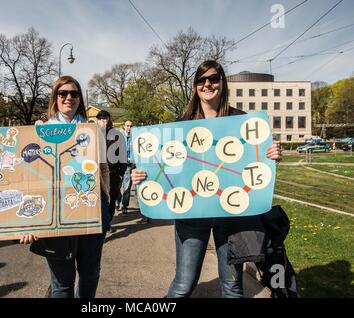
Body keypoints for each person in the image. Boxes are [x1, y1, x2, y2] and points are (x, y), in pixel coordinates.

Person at [131, 60, 282, 298]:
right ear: (195, 86)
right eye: (202, 80)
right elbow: (165, 166)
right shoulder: (181, 124)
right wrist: (143, 175)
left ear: (222, 83)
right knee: (183, 285)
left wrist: (271, 154)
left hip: (231, 214)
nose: (208, 84)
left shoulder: (241, 121)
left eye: (213, 78)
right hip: (191, 214)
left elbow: (255, 158)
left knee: (232, 287)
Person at [20, 75, 111, 298]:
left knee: (90, 274)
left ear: (80, 98)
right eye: (63, 93)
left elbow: (103, 171)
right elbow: (30, 180)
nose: (69, 98)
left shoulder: (93, 129)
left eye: (74, 93)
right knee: (61, 283)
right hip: (55, 215)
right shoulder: (40, 130)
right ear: (55, 98)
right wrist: (28, 222)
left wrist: (107, 205)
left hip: (91, 211)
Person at [96, 110, 127, 232]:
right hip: (97, 173)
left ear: (109, 119)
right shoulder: (93, 133)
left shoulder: (116, 135)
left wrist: (121, 173)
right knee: (97, 200)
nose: (102, 120)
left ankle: (108, 223)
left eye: (104, 117)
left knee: (111, 199)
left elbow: (123, 154)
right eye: (100, 118)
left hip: (113, 174)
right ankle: (100, 223)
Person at [117, 121, 134, 216]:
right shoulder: (119, 136)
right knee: (117, 187)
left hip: (128, 166)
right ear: (124, 126)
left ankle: (125, 207)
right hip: (118, 165)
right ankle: (118, 200)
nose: (129, 128)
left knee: (127, 187)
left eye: (131, 126)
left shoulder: (134, 137)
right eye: (127, 126)